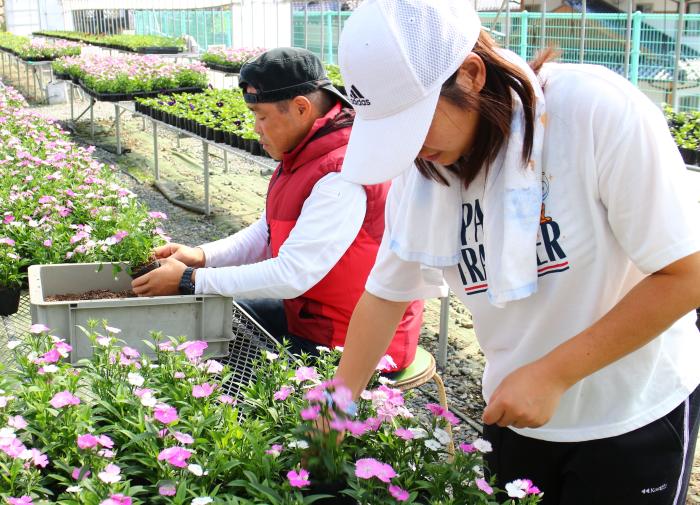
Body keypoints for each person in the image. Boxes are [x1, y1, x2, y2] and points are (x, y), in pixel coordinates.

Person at [331, 0, 700, 503]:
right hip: (516, 413)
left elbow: (686, 274)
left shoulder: (594, 113)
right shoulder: (425, 172)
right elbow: (385, 295)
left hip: (629, 414)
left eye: (416, 124)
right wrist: (335, 407)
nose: (412, 148)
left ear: (472, 73)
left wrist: (554, 373)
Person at [132, 47, 423, 370]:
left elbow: (293, 274)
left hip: (350, 343)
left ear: (301, 108)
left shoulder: (343, 172)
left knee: (224, 367)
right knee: (218, 320)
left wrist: (190, 279)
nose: (256, 128)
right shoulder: (306, 151)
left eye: (262, 116)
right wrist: (201, 256)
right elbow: (267, 230)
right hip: (313, 316)